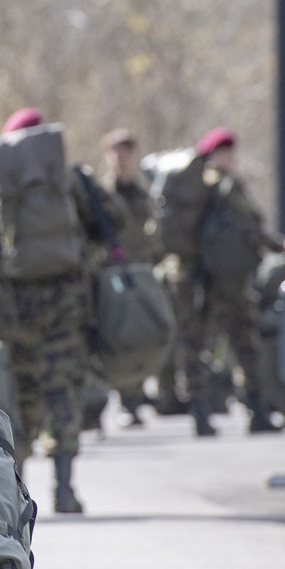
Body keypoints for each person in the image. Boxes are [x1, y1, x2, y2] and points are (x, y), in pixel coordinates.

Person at [0, 107, 119, 514]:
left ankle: (17, 494)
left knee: (20, 396)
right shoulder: (70, 179)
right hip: (67, 309)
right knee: (63, 394)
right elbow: (115, 222)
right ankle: (64, 488)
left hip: (13, 314)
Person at [184, 127, 285, 436]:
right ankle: (253, 411)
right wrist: (280, 246)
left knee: (202, 345)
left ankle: (201, 412)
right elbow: (251, 230)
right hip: (225, 283)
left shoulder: (199, 190)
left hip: (205, 279)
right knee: (243, 344)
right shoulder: (223, 188)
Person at [100, 128, 162, 427]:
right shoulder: (102, 194)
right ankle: (121, 399)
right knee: (117, 333)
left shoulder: (143, 193)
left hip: (140, 271)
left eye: (127, 152)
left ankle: (135, 396)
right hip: (111, 274)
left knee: (140, 333)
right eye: (116, 153)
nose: (122, 159)